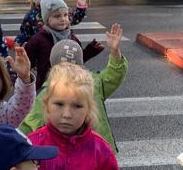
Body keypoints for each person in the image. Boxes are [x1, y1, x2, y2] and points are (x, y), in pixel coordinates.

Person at [19, 24, 127, 153]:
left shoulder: (93, 83)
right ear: (54, 68)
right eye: (59, 104)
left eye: (72, 66)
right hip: (62, 154)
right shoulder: (49, 90)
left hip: (96, 151)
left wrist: (115, 52)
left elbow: (113, 76)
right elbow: (30, 123)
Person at [24, 0, 104, 91]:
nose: (62, 19)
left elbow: (77, 61)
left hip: (70, 87)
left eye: (65, 15)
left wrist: (90, 51)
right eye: (57, 16)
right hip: (45, 87)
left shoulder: (72, 38)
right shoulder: (38, 39)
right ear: (47, 20)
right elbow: (27, 63)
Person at [15, 0, 88, 45]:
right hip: (41, 48)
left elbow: (74, 19)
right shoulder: (31, 15)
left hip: (61, 47)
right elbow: (25, 33)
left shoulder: (59, 10)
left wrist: (81, 8)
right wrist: (18, 43)